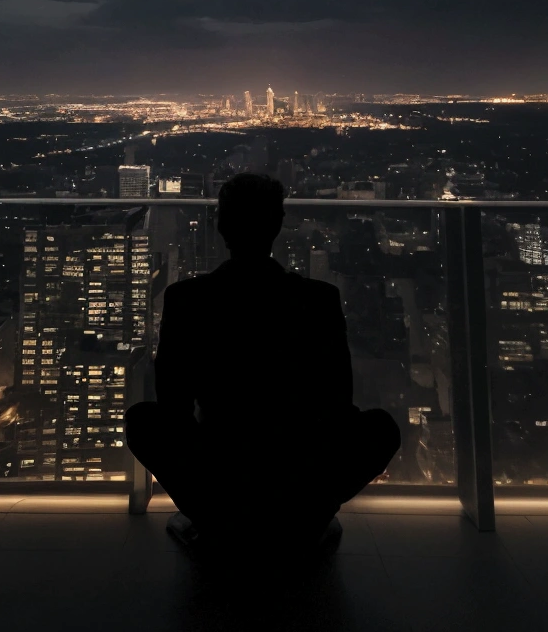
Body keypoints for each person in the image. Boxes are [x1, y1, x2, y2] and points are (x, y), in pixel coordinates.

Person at [125, 172, 400, 553]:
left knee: (141, 420)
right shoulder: (318, 300)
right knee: (381, 429)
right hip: (301, 472)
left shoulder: (187, 299)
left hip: (217, 470)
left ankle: (215, 519)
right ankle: (304, 518)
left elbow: (173, 404)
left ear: (220, 225)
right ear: (277, 224)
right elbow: (338, 404)